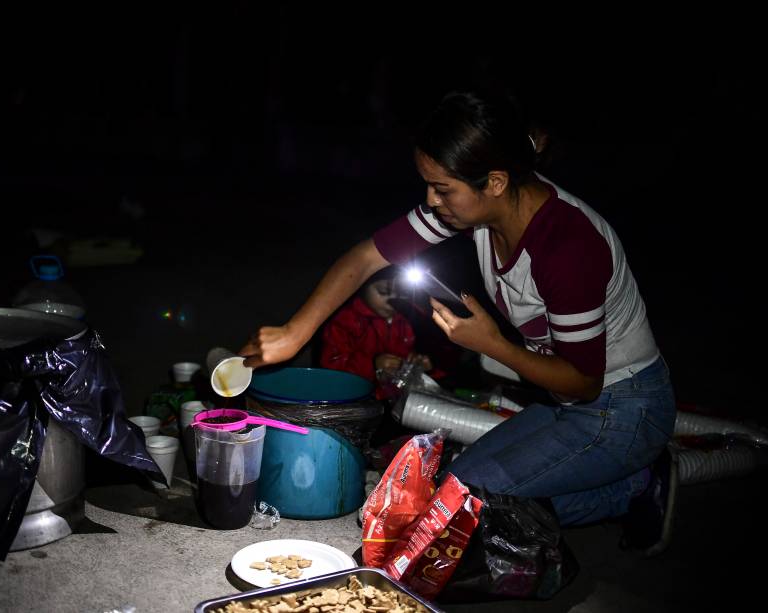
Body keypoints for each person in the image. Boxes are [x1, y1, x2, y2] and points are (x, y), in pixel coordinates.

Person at [240, 89, 677, 556]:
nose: (431, 199)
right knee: (451, 487)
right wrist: (294, 333)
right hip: (565, 400)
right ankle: (619, 481)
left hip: (622, 408)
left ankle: (631, 489)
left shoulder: (567, 248)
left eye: (442, 188)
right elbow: (368, 256)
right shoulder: (484, 211)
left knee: (464, 511)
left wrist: (492, 345)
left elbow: (585, 382)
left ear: (494, 181)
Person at [319, 267, 433, 398]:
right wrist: (373, 364)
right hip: (352, 398)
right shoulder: (344, 321)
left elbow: (406, 356)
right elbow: (331, 371)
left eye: (401, 294)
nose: (393, 301)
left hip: (391, 398)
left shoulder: (405, 320)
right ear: (362, 285)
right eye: (383, 292)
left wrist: (417, 363)